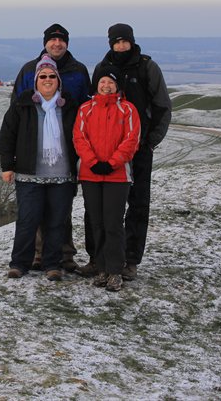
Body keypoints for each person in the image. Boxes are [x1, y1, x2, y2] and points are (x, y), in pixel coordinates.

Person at [77, 23, 172, 281]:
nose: (121, 46)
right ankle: (97, 258)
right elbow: (92, 106)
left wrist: (151, 141)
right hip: (100, 155)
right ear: (110, 43)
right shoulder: (101, 68)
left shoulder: (146, 67)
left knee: (137, 204)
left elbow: (162, 105)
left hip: (138, 150)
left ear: (132, 41)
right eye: (116, 42)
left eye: (124, 42)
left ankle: (130, 260)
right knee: (97, 209)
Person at [11, 24, 90, 271]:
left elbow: (86, 106)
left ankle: (63, 257)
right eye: (52, 40)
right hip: (35, 154)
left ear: (67, 43)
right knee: (33, 213)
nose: (57, 43)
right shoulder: (28, 69)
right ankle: (37, 255)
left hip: (65, 152)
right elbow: (17, 108)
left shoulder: (78, 70)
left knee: (60, 212)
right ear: (45, 42)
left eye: (61, 40)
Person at [0, 55, 79, 281]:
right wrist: (7, 166)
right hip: (28, 175)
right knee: (28, 220)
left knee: (57, 222)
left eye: (52, 76)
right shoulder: (22, 104)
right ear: (35, 81)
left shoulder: (70, 106)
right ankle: (19, 263)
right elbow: (6, 136)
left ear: (58, 80)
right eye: (42, 76)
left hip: (62, 176)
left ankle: (52, 264)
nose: (47, 79)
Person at [73, 65, 140, 291]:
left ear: (117, 85)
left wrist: (112, 163)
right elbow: (79, 138)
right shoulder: (85, 109)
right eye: (102, 82)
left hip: (117, 175)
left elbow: (131, 140)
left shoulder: (128, 110)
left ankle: (115, 270)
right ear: (96, 85)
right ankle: (100, 267)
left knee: (113, 223)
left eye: (110, 82)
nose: (106, 86)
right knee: (96, 222)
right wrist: (93, 162)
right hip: (91, 174)